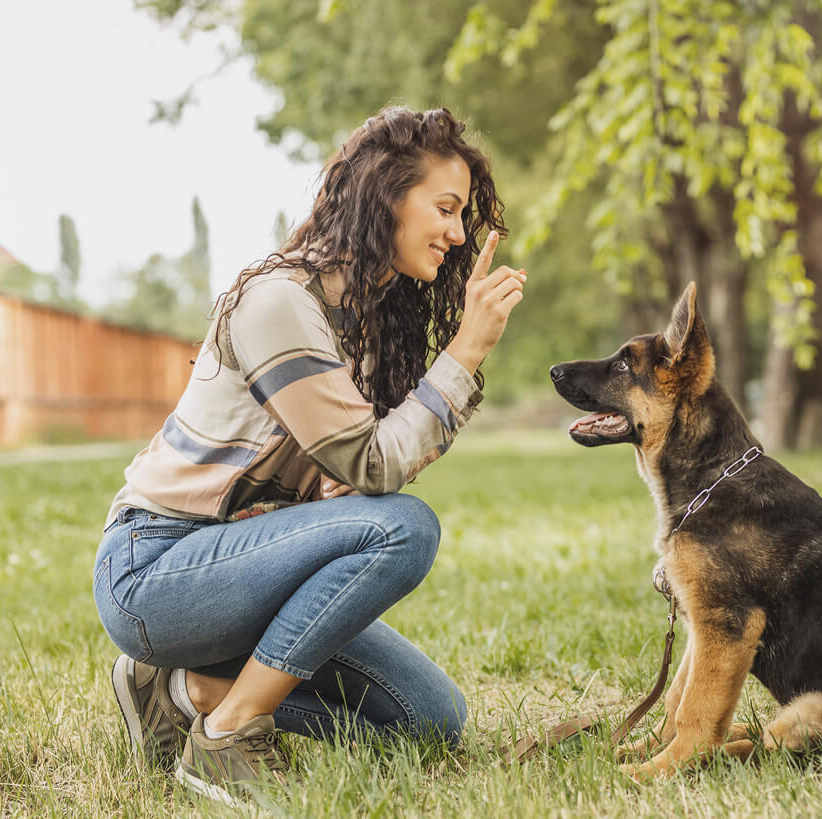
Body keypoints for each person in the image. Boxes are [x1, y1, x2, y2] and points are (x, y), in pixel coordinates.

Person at [92, 105, 526, 804]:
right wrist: (466, 348)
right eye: (445, 208)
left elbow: (351, 479)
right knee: (405, 526)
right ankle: (229, 731)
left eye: (463, 216)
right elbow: (378, 467)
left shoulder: (368, 321)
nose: (456, 232)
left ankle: (185, 687)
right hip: (155, 572)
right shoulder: (279, 302)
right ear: (386, 195)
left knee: (429, 721)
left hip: (242, 568)